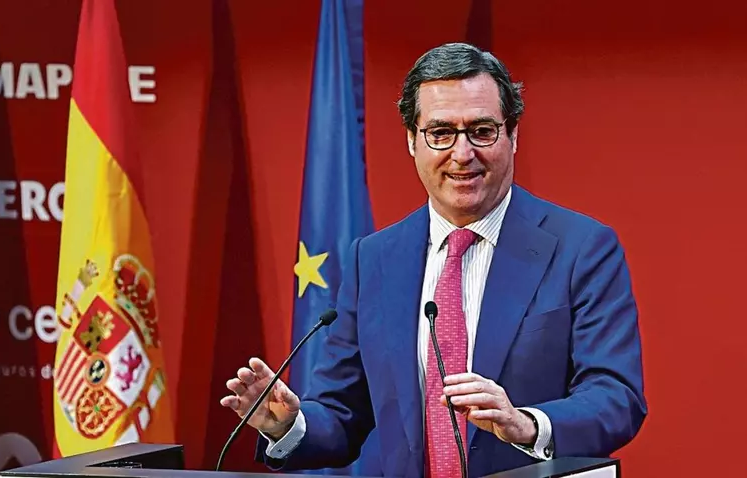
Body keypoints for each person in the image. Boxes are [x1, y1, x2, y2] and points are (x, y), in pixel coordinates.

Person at [219, 42, 646, 477]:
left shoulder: (582, 248)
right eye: (441, 133)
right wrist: (288, 424)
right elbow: (342, 411)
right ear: (411, 140)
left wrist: (526, 423)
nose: (462, 154)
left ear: (513, 135)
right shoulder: (374, 259)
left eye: (482, 130)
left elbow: (617, 397)